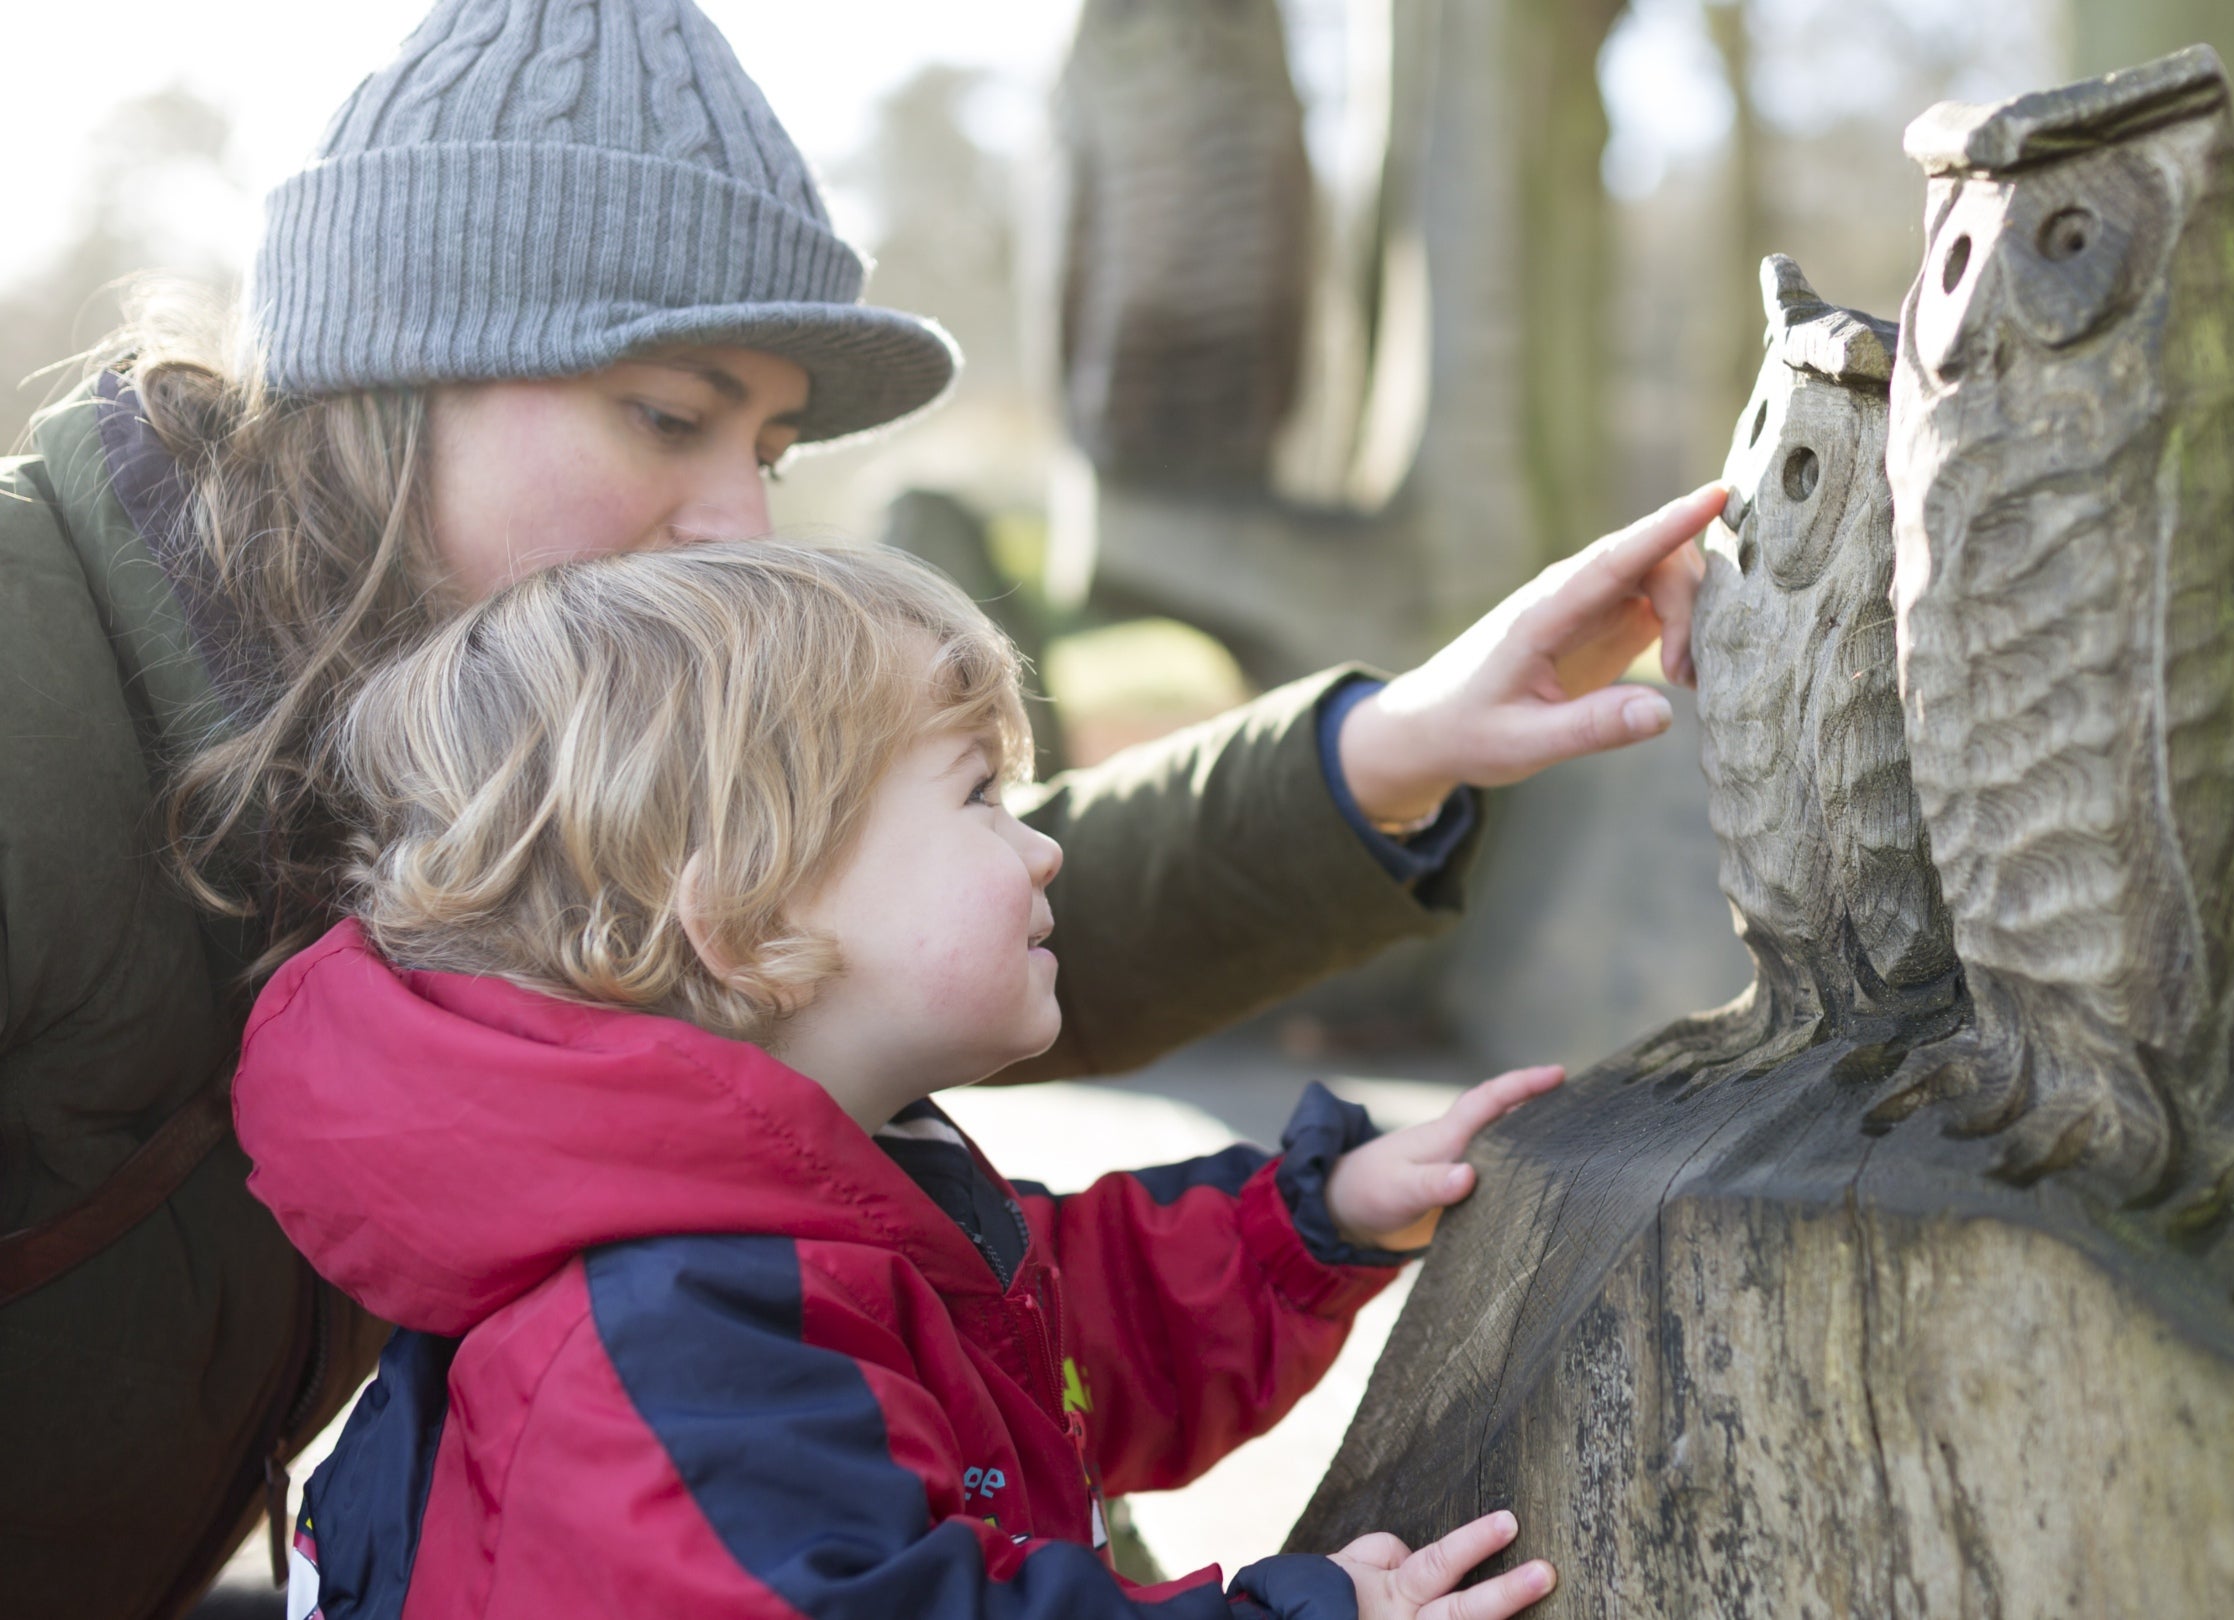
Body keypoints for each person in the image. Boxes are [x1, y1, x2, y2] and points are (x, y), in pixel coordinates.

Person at [0, 0, 1722, 1613]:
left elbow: (896, 930)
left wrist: (1397, 744)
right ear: (385, 378)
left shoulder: (510, 773)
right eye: (669, 414)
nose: (741, 519)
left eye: (774, 445)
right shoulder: (40, 676)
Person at [233, 539, 1563, 1620]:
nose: (1041, 852)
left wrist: (1306, 1222)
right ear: (749, 920)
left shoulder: (816, 1212)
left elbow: (1061, 1333)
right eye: (981, 795)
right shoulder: (659, 1360)